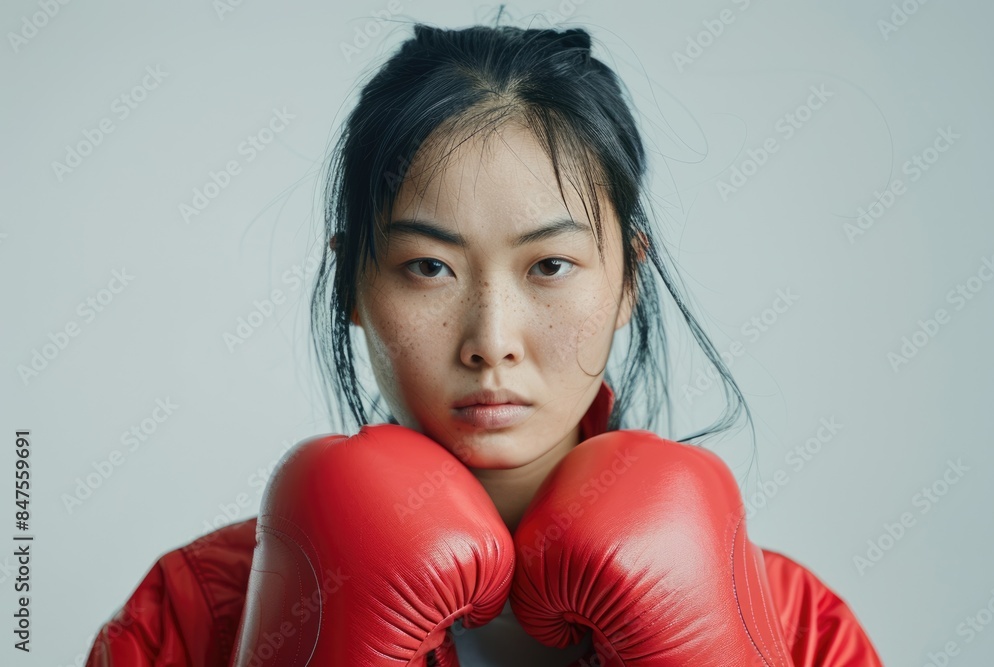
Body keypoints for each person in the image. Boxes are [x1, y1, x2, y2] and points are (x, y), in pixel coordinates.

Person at [84, 19, 883, 667]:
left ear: (628, 281)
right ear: (354, 285)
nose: (491, 340)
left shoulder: (796, 629)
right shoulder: (191, 617)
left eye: (550, 265)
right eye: (428, 266)